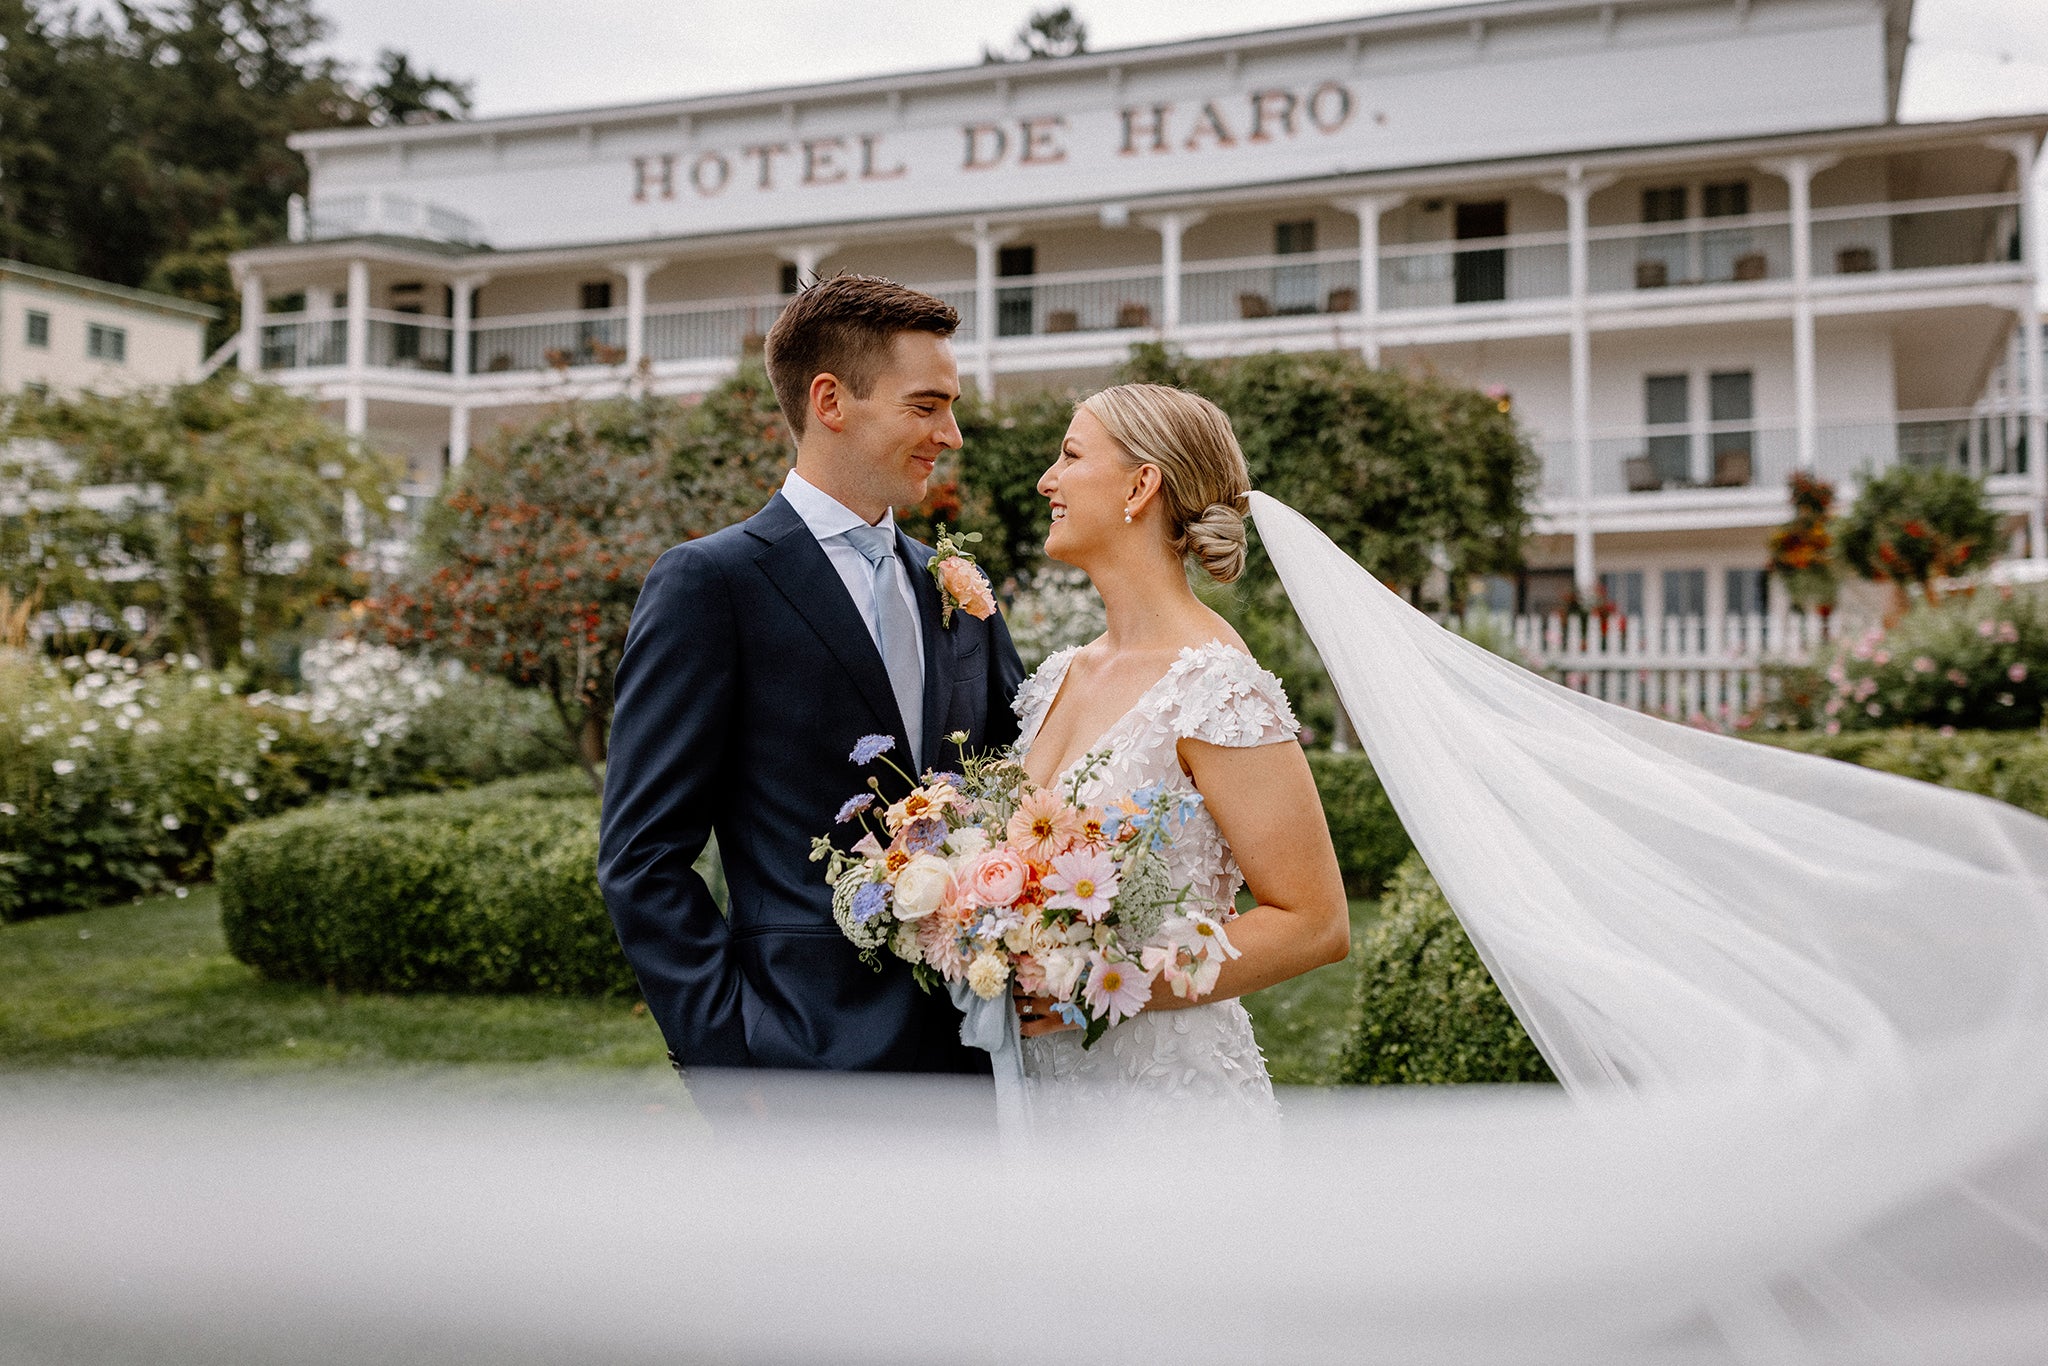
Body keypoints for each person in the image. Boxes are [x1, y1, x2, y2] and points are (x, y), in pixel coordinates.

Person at [598, 274, 1026, 1075]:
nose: (952, 434)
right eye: (927, 405)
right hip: (802, 1063)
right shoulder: (711, 583)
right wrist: (733, 1062)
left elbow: (1022, 787)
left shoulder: (959, 588)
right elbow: (643, 858)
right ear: (831, 401)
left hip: (982, 1056)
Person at [1008, 383, 1351, 1115]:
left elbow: (1314, 923)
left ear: (1141, 485)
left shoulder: (1214, 686)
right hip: (1041, 1099)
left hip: (1165, 1102)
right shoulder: (1053, 679)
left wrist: (1105, 986)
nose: (1047, 480)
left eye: (1069, 456)